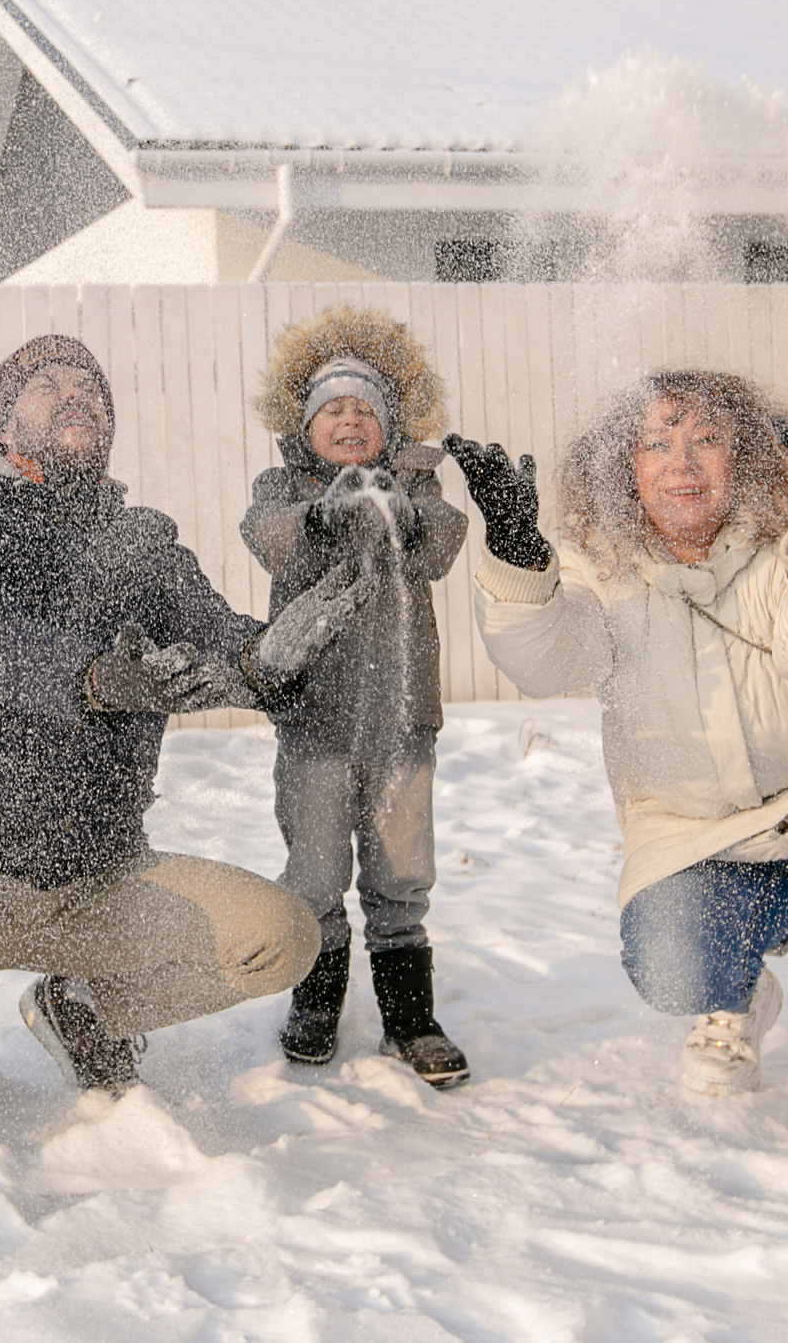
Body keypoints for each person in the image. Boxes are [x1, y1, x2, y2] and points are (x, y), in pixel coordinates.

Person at [446, 373, 788, 1227]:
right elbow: (549, 659)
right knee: (668, 959)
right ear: (624, 470)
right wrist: (516, 552)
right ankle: (732, 992)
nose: (681, 462)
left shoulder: (784, 548)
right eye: (655, 443)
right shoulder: (604, 578)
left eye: (704, 438)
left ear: (742, 455)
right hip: (703, 848)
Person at [0, 333, 374, 1166]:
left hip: (97, 873)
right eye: (46, 383)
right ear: (0, 422)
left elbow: (210, 629)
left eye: (91, 389)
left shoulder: (141, 543)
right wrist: (95, 677)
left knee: (281, 935)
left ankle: (84, 1009)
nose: (74, 395)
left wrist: (266, 657)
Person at [240, 307, 472, 1086]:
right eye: (331, 409)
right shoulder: (283, 489)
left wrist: (398, 511)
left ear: (389, 423)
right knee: (313, 869)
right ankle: (318, 995)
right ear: (304, 429)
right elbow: (265, 531)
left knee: (401, 869)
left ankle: (411, 1015)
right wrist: (323, 514)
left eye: (363, 408)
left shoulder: (418, 486)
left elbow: (441, 538)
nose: (348, 419)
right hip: (315, 721)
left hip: (403, 721)